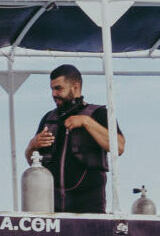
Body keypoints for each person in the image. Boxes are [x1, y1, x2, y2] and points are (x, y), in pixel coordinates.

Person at [25, 63, 124, 214]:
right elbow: (32, 162)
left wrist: (86, 121)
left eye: (58, 88)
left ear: (75, 87)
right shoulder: (48, 118)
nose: (54, 94)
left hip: (89, 206)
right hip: (50, 205)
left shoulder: (99, 114)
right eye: (52, 89)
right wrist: (32, 146)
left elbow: (119, 147)